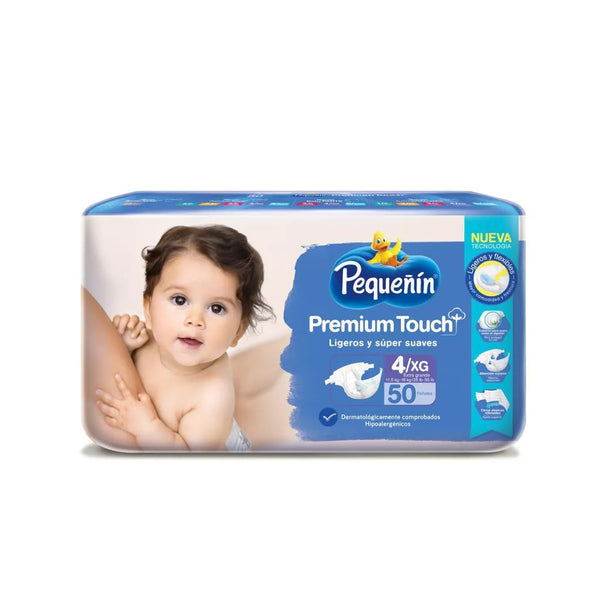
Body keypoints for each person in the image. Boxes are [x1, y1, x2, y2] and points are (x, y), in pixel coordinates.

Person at [90, 225, 273, 451]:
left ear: (238, 331)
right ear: (148, 309)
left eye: (216, 308)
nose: (195, 320)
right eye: (180, 300)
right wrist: (124, 346)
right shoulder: (149, 341)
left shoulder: (212, 397)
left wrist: (147, 428)